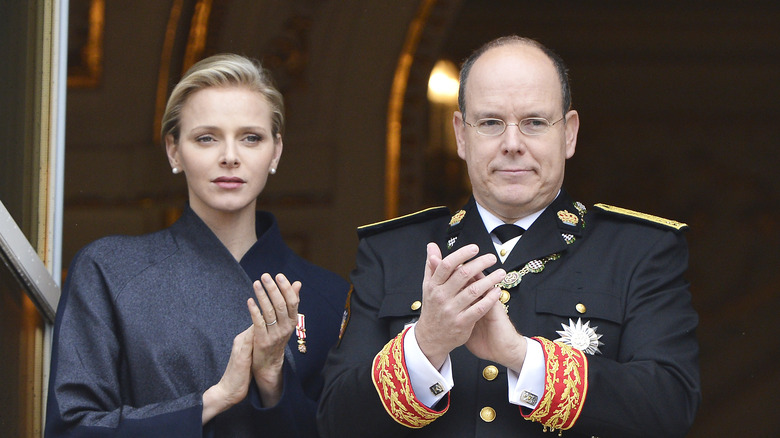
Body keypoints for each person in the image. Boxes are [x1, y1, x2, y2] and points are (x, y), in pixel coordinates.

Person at [318, 36, 700, 437]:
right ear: (461, 135)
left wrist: (522, 357)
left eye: (534, 122)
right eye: (490, 123)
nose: (512, 144)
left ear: (568, 134)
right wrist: (426, 343)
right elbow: (335, 422)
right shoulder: (391, 252)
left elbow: (670, 408)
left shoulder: (641, 251)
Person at [45, 54, 349, 437]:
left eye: (251, 138)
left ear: (276, 151)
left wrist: (273, 382)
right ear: (174, 150)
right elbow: (71, 429)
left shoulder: (327, 296)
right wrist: (214, 399)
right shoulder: (109, 270)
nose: (229, 157)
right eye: (206, 138)